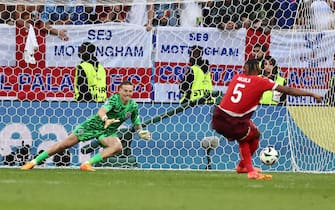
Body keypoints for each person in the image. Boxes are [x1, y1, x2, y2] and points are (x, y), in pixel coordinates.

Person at [211, 59, 322, 180]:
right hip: (234, 121)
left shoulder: (237, 77)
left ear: (244, 68)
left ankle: (244, 167)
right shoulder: (262, 81)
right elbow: (289, 91)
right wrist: (312, 94)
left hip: (217, 118)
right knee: (247, 137)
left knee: (250, 133)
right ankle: (248, 170)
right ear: (258, 69)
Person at [21, 80, 151, 171]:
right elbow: (101, 111)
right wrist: (105, 119)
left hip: (107, 132)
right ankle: (33, 162)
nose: (128, 93)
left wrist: (140, 131)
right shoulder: (114, 99)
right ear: (119, 91)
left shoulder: (133, 105)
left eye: (130, 91)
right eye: (125, 91)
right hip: (93, 125)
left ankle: (87, 164)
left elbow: (136, 121)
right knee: (64, 144)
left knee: (117, 146)